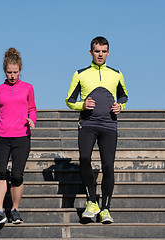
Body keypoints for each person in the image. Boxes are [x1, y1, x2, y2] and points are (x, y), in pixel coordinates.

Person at [65, 36, 128, 223]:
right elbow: (69, 100)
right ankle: (91, 201)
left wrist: (120, 107)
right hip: (87, 125)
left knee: (108, 165)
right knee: (84, 159)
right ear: (90, 52)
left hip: (109, 125)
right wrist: (82, 105)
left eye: (103, 51)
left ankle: (105, 208)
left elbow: (124, 97)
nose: (100, 54)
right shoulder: (80, 73)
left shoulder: (116, 74)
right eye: (97, 51)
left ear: (108, 52)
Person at [0, 47, 37, 228]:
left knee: (17, 175)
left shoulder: (28, 88)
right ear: (4, 71)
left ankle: (14, 210)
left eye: (15, 72)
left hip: (22, 136)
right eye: (9, 72)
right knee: (0, 172)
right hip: (2, 136)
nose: (12, 76)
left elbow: (32, 108)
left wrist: (32, 119)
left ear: (20, 70)